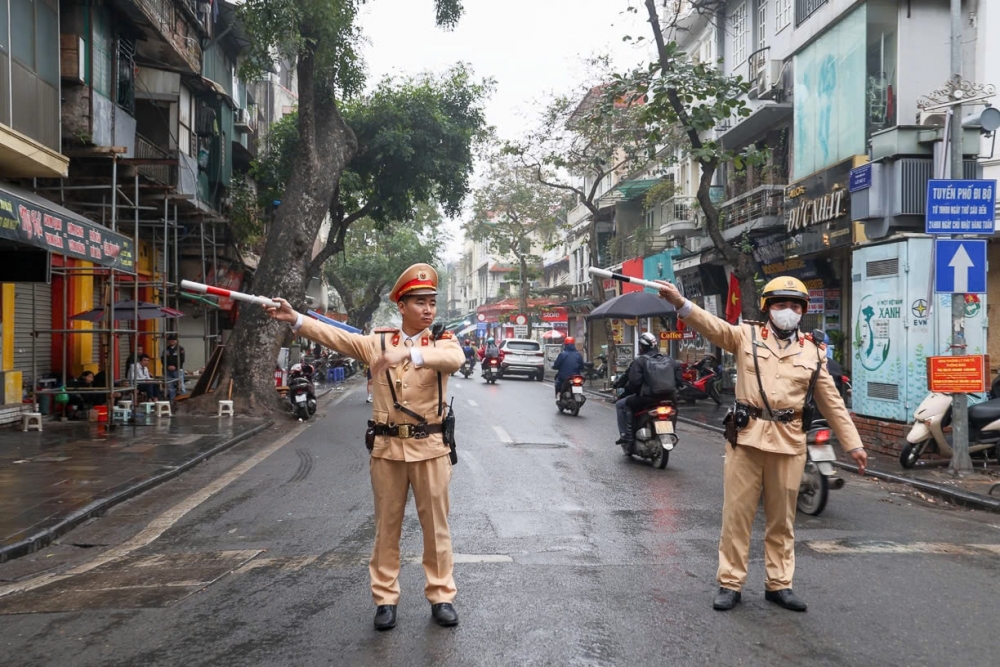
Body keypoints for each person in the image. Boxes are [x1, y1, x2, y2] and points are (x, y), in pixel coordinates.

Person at [263, 263, 464, 632]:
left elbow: (456, 359)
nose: (428, 309)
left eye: (432, 302)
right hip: (387, 450)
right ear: (401, 306)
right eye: (420, 302)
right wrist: (295, 319)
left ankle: (441, 596)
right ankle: (385, 599)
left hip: (431, 450)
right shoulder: (378, 342)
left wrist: (410, 354)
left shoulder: (441, 341)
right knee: (386, 529)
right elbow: (334, 337)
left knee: (437, 529)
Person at [657, 276, 868, 613]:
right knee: (737, 517)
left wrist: (853, 444)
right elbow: (712, 326)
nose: (788, 311)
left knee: (782, 521)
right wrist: (680, 303)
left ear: (803, 311)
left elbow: (831, 402)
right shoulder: (746, 336)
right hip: (747, 440)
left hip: (789, 443)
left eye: (795, 306)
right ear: (768, 308)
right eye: (781, 305)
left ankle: (779, 584)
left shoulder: (813, 352)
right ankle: (730, 583)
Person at [613, 332, 676, 451]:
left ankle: (628, 437)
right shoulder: (670, 360)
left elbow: (634, 383)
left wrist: (627, 393)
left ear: (642, 347)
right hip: (669, 398)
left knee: (622, 404)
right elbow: (679, 381)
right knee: (674, 409)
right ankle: (672, 431)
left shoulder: (640, 361)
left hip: (648, 399)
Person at [162, 334, 186, 401]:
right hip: (168, 370)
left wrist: (175, 366)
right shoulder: (166, 349)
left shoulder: (180, 349)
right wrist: (168, 366)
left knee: (181, 386)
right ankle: (172, 401)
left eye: (173, 340)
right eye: (170, 340)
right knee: (170, 387)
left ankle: (184, 400)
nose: (171, 341)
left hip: (178, 370)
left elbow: (182, 359)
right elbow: (163, 359)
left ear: (176, 341)